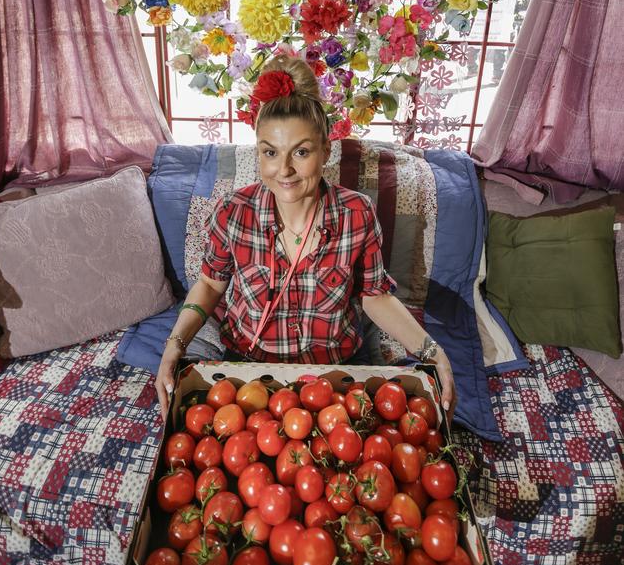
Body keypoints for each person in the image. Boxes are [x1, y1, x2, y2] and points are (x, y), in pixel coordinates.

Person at [155, 55, 456, 420]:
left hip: (332, 376)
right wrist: (175, 343)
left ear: (325, 151)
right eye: (270, 152)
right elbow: (209, 284)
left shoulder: (355, 214)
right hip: (247, 373)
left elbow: (376, 298)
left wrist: (432, 351)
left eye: (301, 151)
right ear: (258, 153)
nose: (284, 170)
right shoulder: (232, 212)